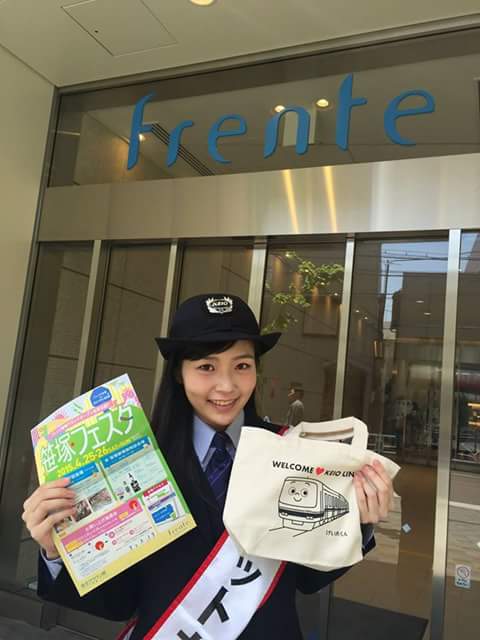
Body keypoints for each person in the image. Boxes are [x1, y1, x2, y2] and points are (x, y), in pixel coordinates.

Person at [23, 293, 394, 640]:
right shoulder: (136, 463)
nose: (226, 385)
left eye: (242, 365)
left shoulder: (291, 451)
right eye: (206, 366)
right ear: (178, 373)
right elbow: (118, 602)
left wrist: (359, 525)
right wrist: (58, 552)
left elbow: (307, 579)